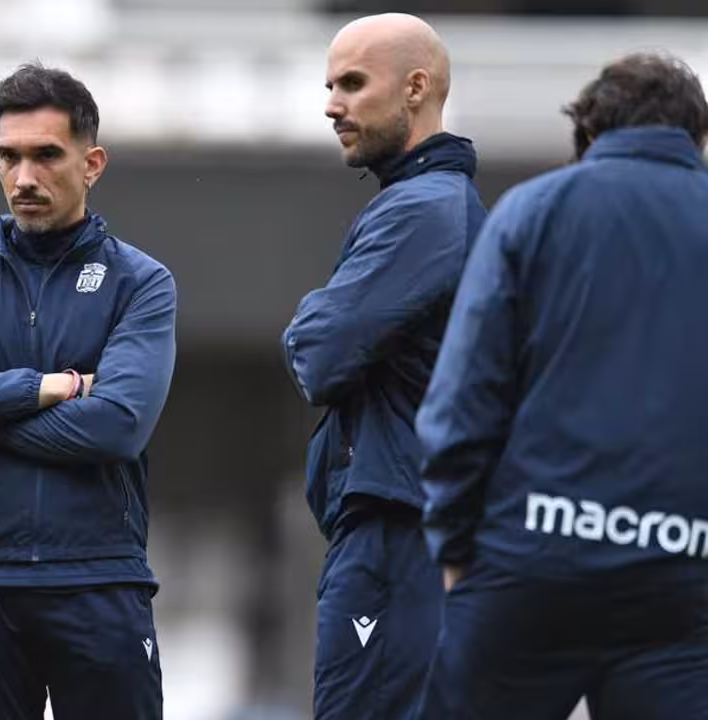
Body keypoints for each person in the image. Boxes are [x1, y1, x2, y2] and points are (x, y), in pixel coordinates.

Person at [415, 51, 708, 720]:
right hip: (682, 576)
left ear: (587, 136)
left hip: (532, 558)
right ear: (698, 138)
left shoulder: (533, 211)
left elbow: (462, 400)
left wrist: (456, 546)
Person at [0, 62, 175, 719]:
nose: (24, 178)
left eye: (46, 156)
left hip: (97, 576)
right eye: (8, 157)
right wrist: (52, 387)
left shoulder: (140, 283)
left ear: (92, 162)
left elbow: (115, 427)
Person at [279, 13, 486, 720]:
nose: (332, 103)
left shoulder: (425, 211)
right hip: (397, 528)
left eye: (354, 83)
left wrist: (311, 314)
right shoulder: (418, 202)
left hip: (398, 533)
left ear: (417, 88)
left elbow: (319, 353)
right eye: (330, 84)